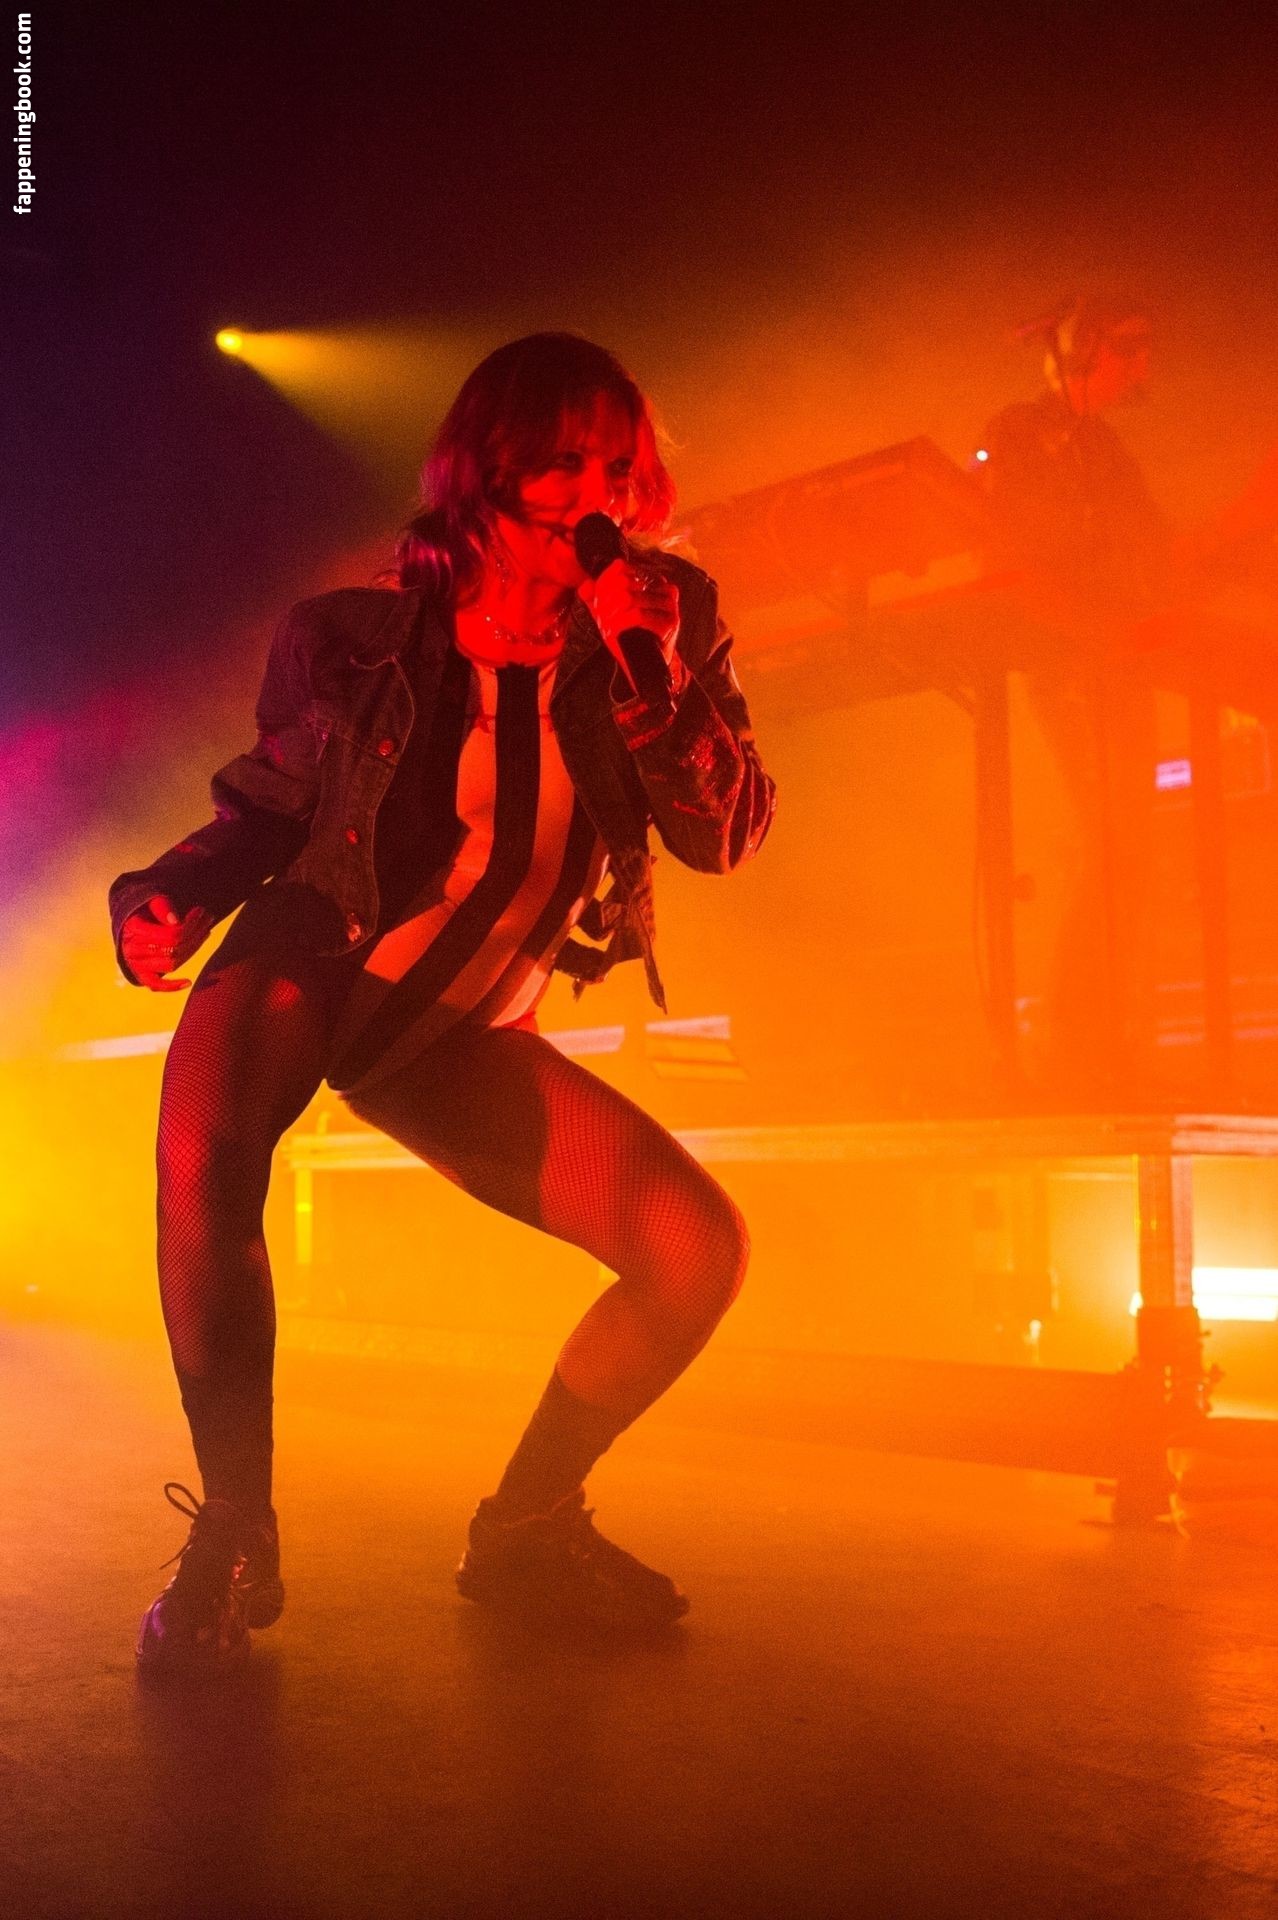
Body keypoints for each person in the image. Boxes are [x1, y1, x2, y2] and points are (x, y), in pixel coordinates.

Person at [109, 332, 776, 1673]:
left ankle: (526, 1526)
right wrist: (167, 893)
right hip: (317, 953)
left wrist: (650, 675)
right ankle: (233, 1528)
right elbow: (269, 806)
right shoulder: (352, 638)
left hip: (469, 1022)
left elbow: (723, 834)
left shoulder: (667, 619)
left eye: (617, 470)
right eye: (561, 464)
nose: (594, 496)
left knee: (696, 1250)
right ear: (487, 474)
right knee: (203, 1159)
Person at [979, 296, 1167, 1099]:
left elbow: (1154, 546)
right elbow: (1014, 544)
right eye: (1129, 350)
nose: (1141, 369)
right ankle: (1078, 1044)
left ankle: (1108, 1039)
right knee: (1114, 843)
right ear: (1085, 349)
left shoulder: (1107, 449)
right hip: (1067, 661)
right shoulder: (1019, 432)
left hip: (1120, 662)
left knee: (1133, 851)